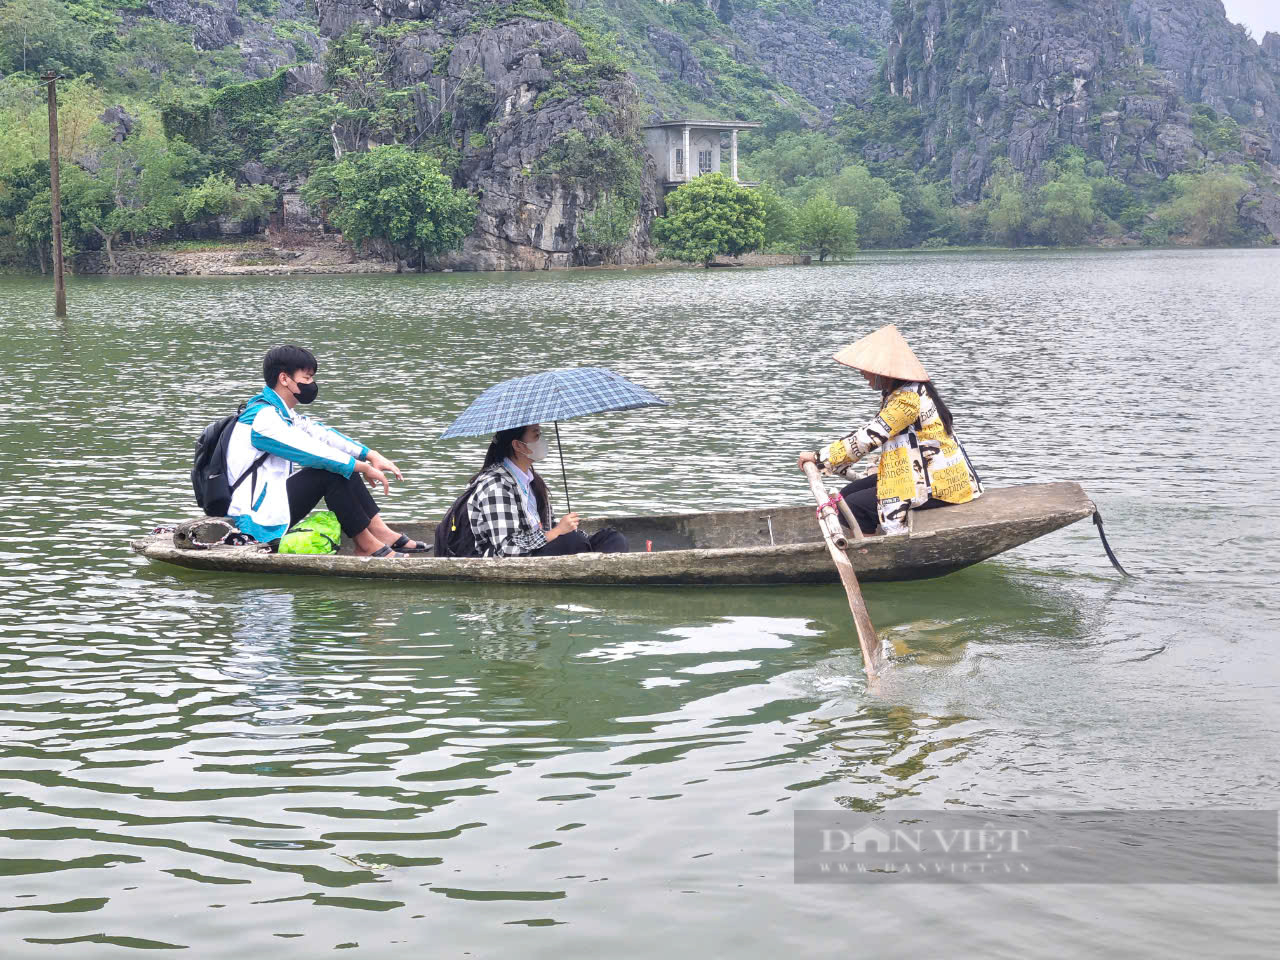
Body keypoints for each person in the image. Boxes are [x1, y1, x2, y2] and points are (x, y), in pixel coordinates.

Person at [226, 345, 425, 558]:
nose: (312, 384)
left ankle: (380, 532)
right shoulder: (263, 419)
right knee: (329, 471)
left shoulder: (283, 414)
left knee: (341, 465)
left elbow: (322, 435)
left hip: (271, 506)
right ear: (284, 379)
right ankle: (366, 545)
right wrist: (361, 467)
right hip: (254, 520)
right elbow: (312, 452)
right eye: (307, 377)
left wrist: (369, 454)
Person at [797, 324, 982, 536]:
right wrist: (827, 459)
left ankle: (869, 555)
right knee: (846, 495)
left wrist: (819, 458)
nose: (862, 374)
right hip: (914, 473)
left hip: (937, 485)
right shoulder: (900, 393)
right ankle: (867, 542)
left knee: (854, 506)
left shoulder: (907, 400)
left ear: (883, 371)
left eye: (867, 369)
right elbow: (870, 431)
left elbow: (869, 437)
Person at [468, 424, 627, 557]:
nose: (542, 441)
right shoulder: (495, 485)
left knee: (613, 539)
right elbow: (507, 550)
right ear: (517, 445)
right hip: (513, 559)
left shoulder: (533, 481)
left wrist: (567, 530)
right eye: (536, 435)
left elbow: (548, 527)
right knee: (573, 542)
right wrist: (558, 532)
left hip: (539, 547)